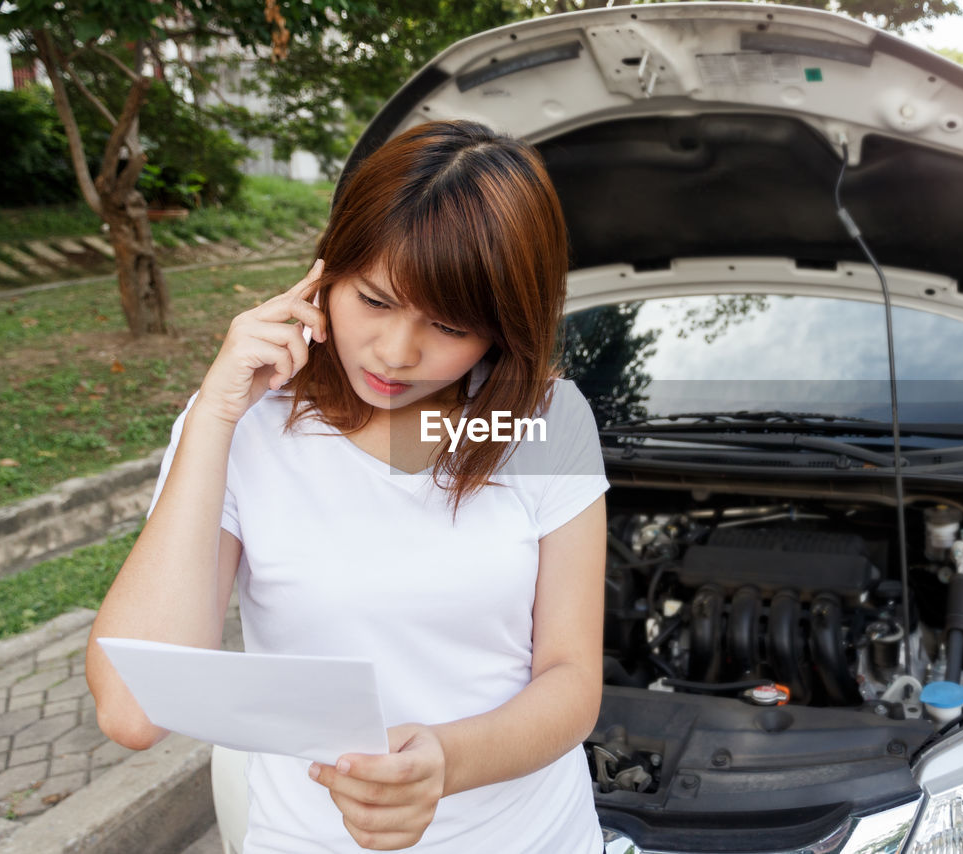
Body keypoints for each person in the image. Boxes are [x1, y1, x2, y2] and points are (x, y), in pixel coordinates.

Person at [84, 120, 609, 853]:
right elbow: (133, 712)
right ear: (327, 270)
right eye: (374, 299)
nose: (398, 353)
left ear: (501, 329)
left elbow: (571, 677)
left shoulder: (547, 421)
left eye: (450, 325)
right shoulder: (241, 427)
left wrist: (444, 762)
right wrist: (214, 418)